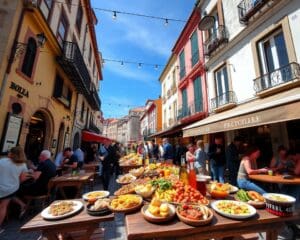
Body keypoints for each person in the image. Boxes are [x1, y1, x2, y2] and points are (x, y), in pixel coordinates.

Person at [0, 146, 29, 233]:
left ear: (11, 153)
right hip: (10, 189)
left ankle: (22, 205)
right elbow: (23, 179)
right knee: (3, 207)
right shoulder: (23, 165)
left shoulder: (2, 161)